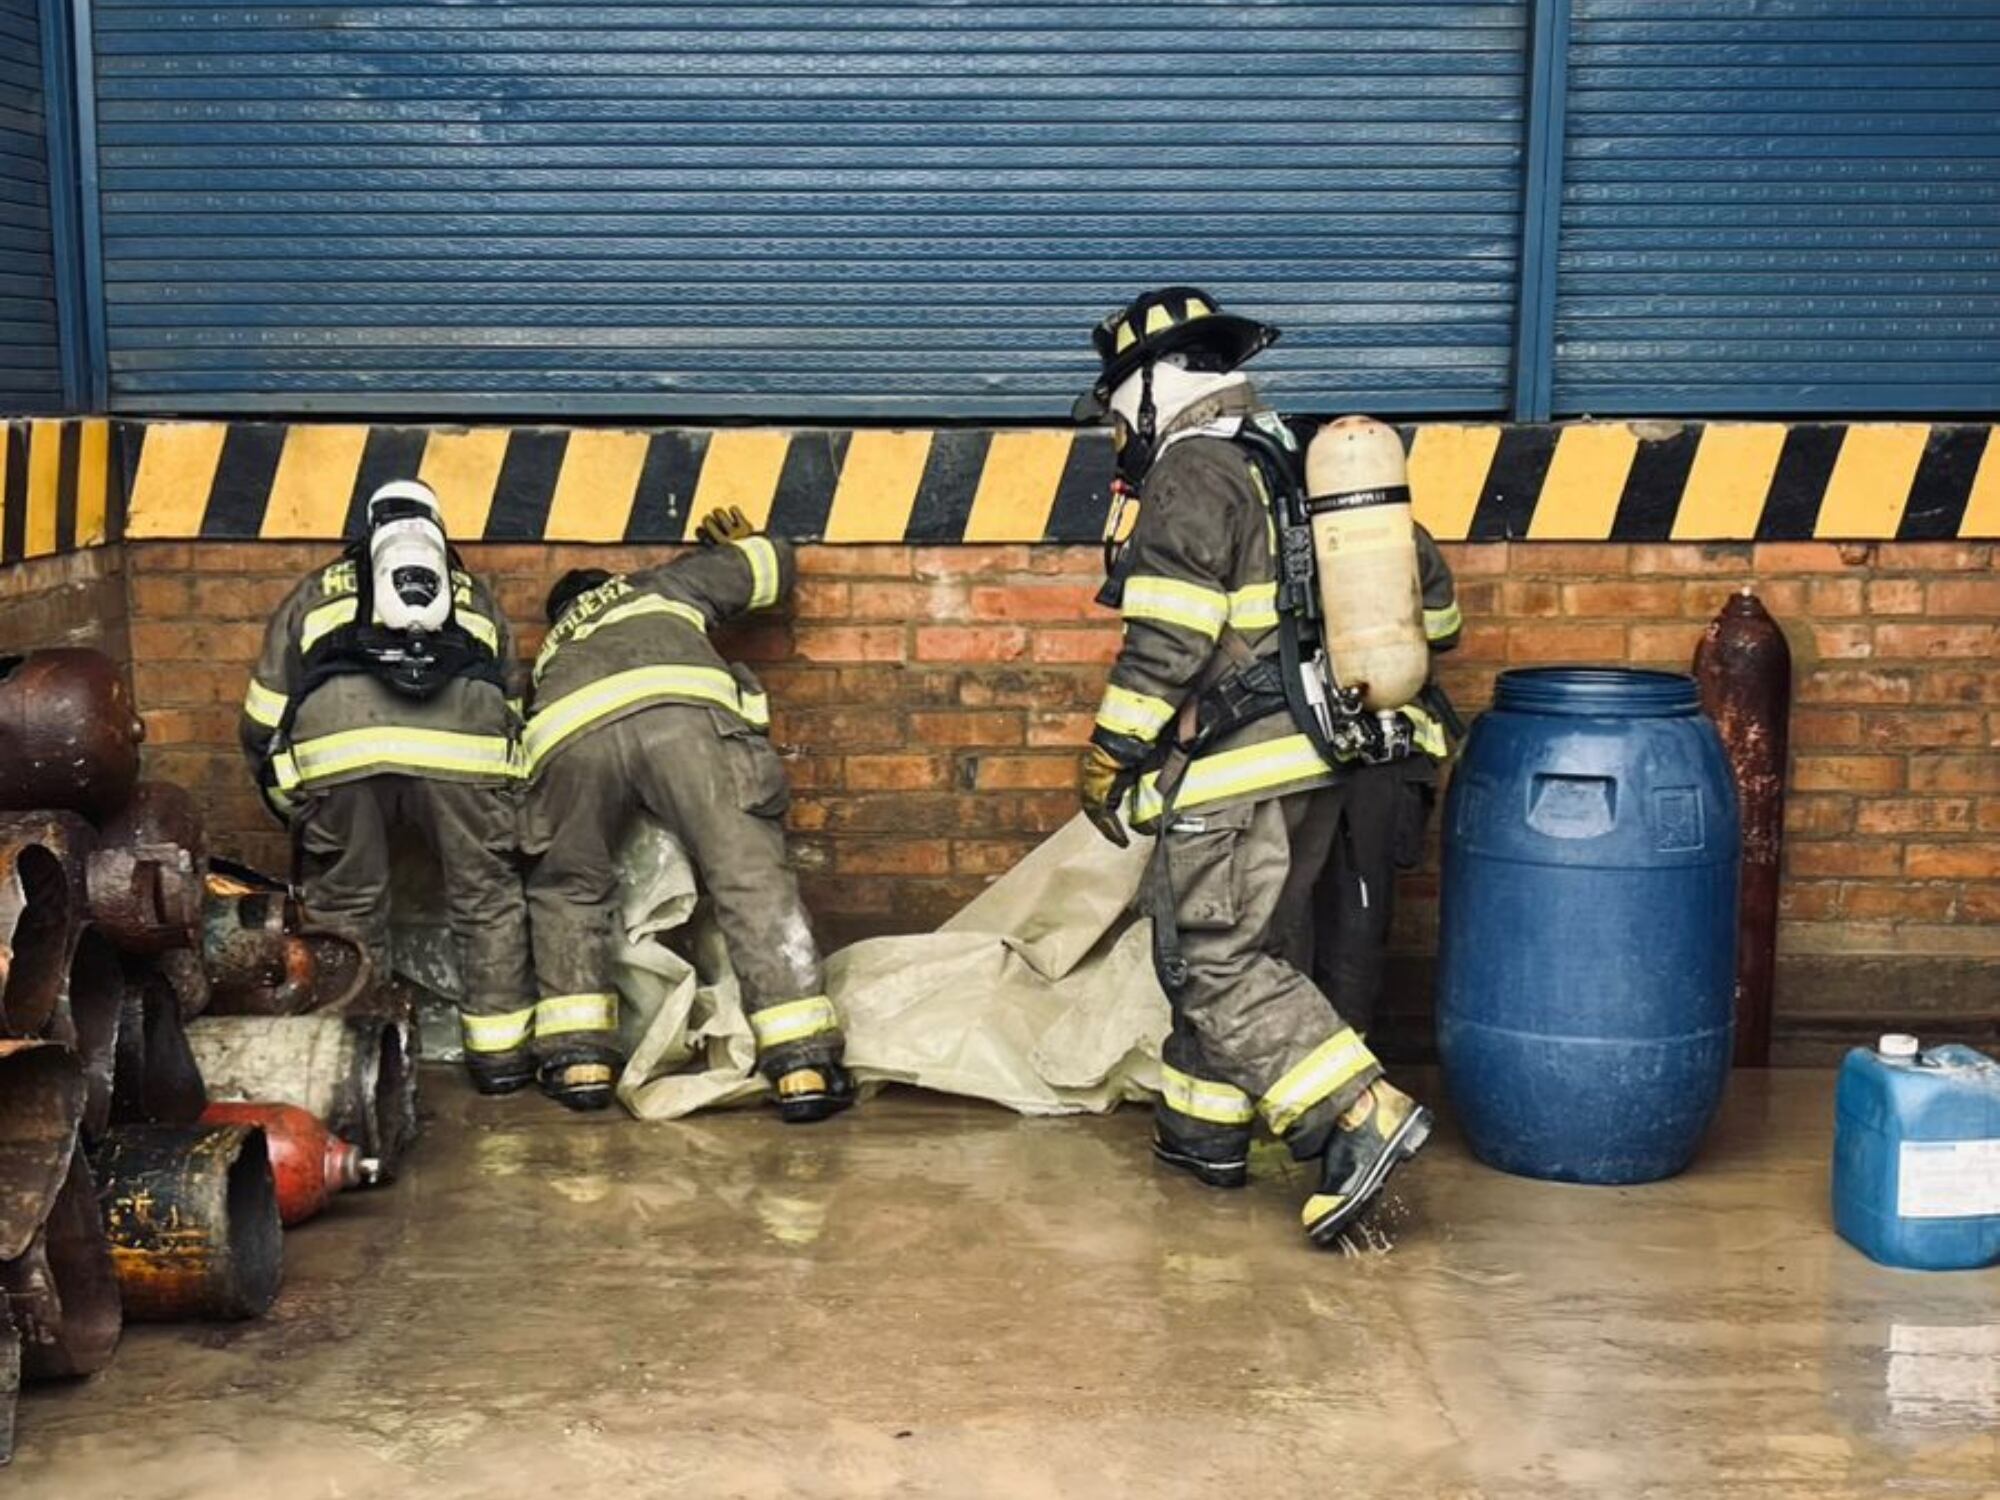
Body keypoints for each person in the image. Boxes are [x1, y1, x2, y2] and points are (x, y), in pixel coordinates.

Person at [1071, 286, 1444, 1248]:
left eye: (1115, 410)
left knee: (1213, 957)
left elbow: (1170, 639)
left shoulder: (1194, 469)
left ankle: (1360, 1114)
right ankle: (1204, 1131)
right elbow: (1434, 607)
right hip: (1320, 762)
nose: (1116, 433)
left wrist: (1110, 752)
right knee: (1257, 946)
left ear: (1151, 386)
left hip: (1235, 769)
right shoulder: (1301, 457)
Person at [520, 507, 851, 1118]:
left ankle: (579, 1062)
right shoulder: (657, 586)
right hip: (686, 724)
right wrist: (744, 546)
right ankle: (802, 1065)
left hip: (570, 736)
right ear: (610, 585)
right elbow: (772, 568)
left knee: (569, 889)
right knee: (747, 878)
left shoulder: (553, 651)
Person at [240, 479, 535, 1096]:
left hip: (337, 758)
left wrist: (288, 800)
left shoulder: (315, 590)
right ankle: (500, 1059)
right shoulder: (474, 594)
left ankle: (355, 1062)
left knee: (346, 904)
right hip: (466, 755)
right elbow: (511, 702)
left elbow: (265, 714)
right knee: (486, 899)